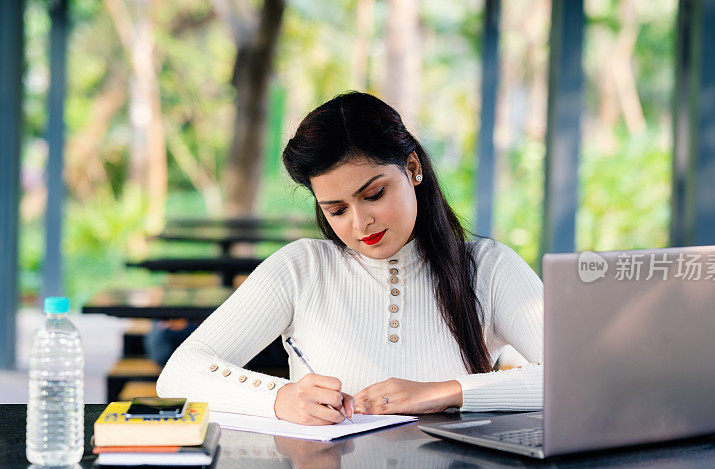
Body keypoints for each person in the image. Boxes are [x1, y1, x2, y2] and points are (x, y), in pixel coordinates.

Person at [156, 92, 543, 425]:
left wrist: (444, 393)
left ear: (412, 168)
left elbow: (587, 377)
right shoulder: (302, 268)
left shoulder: (488, 267)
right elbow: (180, 372)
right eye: (336, 210)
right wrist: (278, 398)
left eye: (373, 195)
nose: (361, 223)